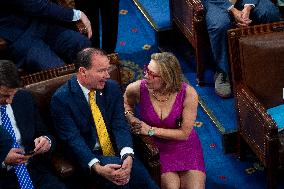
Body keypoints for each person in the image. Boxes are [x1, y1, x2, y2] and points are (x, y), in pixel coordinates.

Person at [50, 48, 159, 189]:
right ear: (83, 72)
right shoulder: (61, 99)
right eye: (101, 71)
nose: (107, 75)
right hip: (88, 156)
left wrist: (127, 154)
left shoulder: (112, 88)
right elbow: (73, 140)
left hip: (116, 150)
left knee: (147, 182)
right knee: (123, 183)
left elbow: (119, 124)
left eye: (108, 70)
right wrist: (97, 167)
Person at [124, 52, 206, 189]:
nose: (145, 75)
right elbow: (126, 104)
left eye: (152, 74)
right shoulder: (137, 88)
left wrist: (150, 130)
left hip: (184, 145)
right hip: (157, 148)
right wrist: (130, 117)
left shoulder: (189, 93)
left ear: (167, 78)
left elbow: (184, 133)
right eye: (146, 69)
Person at [0, 60, 67, 189]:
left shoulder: (23, 98)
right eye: (4, 95)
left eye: (12, 94)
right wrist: (3, 158)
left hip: (34, 170)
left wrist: (46, 141)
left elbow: (46, 133)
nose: (9, 101)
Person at [202, 0, 281, 98]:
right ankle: (222, 71)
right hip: (218, 3)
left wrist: (248, 7)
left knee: (269, 12)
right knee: (219, 25)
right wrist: (233, 10)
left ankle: (270, 65)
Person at [0, 0, 92, 72]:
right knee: (58, 71)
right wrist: (76, 14)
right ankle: (76, 92)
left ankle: (92, 93)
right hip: (21, 37)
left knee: (82, 44)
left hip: (43, 25)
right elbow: (37, 6)